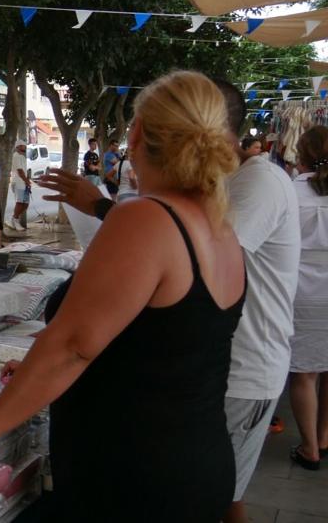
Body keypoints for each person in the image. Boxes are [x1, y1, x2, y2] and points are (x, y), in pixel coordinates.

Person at [0, 70, 245, 520]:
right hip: (192, 460)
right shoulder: (216, 225)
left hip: (134, 478)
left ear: (134, 137)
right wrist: (40, 367)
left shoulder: (146, 218)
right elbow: (162, 344)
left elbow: (73, 345)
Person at [38, 78, 299, 523]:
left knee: (226, 501)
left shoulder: (249, 187)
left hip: (239, 374)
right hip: (200, 383)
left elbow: (187, 253)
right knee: (221, 498)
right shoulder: (193, 202)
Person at [287, 125, 328, 471]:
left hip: (302, 287)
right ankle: (325, 436)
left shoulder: (290, 191)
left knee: (305, 372)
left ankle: (310, 447)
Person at [8, 142, 31, 231]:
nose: (25, 147)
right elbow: (20, 171)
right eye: (23, 146)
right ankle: (15, 220)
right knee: (20, 202)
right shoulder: (16, 156)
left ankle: (14, 218)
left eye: (25, 146)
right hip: (18, 182)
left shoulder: (22, 157)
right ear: (18, 147)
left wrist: (27, 181)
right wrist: (26, 181)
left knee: (26, 204)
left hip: (24, 183)